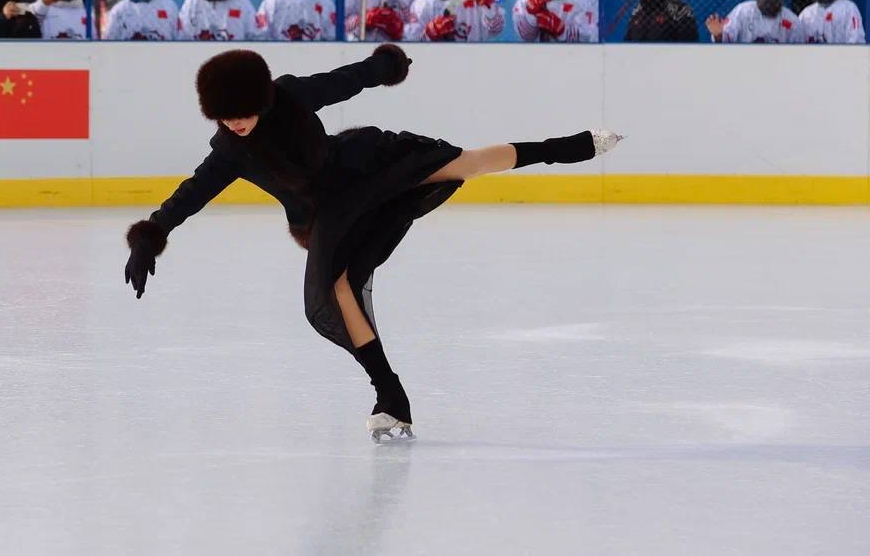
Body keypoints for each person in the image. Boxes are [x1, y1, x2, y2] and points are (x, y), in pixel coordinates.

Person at [121, 45, 622, 442]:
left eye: (242, 112)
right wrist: (153, 234)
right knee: (336, 290)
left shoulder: (289, 96)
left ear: (261, 98)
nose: (236, 123)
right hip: (326, 214)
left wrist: (381, 66)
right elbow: (191, 193)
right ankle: (390, 397)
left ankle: (571, 147)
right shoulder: (229, 151)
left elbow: (343, 81)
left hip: (361, 167)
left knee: (462, 162)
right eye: (225, 117)